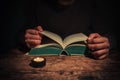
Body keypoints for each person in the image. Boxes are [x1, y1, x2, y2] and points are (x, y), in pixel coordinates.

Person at [17, 0, 117, 59]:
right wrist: (27, 38)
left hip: (83, 61)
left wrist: (106, 43)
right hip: (44, 61)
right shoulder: (38, 4)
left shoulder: (89, 4)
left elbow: (110, 35)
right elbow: (22, 34)